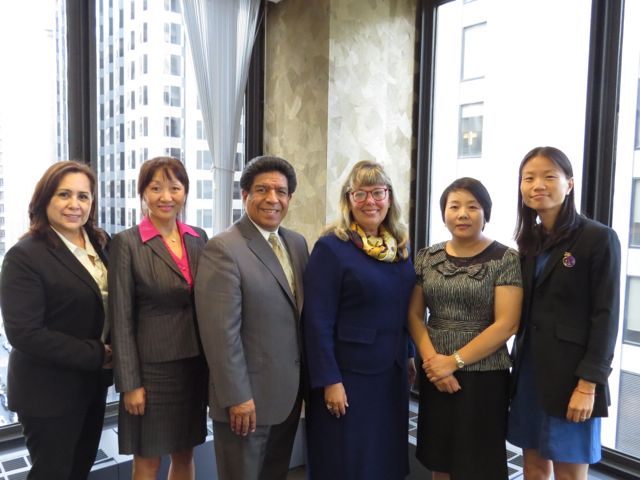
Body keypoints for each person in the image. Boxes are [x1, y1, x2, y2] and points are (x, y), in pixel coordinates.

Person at [507, 146, 621, 480]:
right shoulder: (529, 242)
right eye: (529, 178)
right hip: (529, 371)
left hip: (573, 377)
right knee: (533, 467)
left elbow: (607, 316)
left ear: (568, 184)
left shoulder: (598, 238)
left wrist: (589, 384)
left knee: (570, 473)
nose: (537, 185)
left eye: (548, 176)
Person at [195, 155, 308, 480]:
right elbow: (220, 335)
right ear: (245, 195)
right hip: (246, 401)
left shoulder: (297, 243)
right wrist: (237, 397)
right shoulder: (224, 248)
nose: (272, 199)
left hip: (287, 395)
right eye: (262, 189)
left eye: (281, 191)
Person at [302, 160, 416, 479]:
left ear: (389, 197)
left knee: (384, 459)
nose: (370, 201)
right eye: (360, 193)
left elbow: (405, 308)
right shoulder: (331, 248)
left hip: (391, 374)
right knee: (346, 461)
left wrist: (408, 354)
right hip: (348, 376)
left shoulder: (401, 247)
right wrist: (329, 381)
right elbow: (317, 320)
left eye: (377, 192)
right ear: (348, 200)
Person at [0, 161, 111, 480]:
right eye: (64, 194)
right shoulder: (25, 256)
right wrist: (97, 354)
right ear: (45, 200)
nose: (75, 204)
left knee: (79, 470)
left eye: (83, 196)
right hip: (48, 391)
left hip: (92, 386)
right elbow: (25, 333)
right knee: (53, 474)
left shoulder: (101, 246)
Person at [408, 177, 523, 479]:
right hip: (435, 372)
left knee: (480, 462)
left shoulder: (506, 259)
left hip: (485, 376)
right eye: (454, 206)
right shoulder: (427, 257)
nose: (462, 214)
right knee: (439, 459)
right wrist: (434, 363)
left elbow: (507, 324)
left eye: (473, 207)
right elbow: (415, 315)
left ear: (486, 213)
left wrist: (453, 362)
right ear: (444, 213)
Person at [109, 157, 208, 480]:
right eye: (156, 188)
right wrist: (130, 384)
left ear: (185, 193)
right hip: (150, 371)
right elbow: (121, 318)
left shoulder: (198, 237)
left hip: (193, 365)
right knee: (148, 461)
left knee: (185, 452)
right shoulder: (127, 243)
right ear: (143, 193)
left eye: (175, 188)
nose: (166, 197)